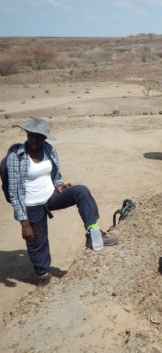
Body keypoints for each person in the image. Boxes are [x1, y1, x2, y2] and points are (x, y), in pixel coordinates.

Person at [7, 117, 119, 286]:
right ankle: (43, 275)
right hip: (31, 205)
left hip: (51, 196)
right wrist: (24, 223)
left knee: (81, 191)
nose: (35, 140)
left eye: (40, 137)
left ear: (45, 137)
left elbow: (56, 174)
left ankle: (93, 232)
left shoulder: (49, 149)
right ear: (27, 133)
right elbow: (14, 191)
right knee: (37, 241)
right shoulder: (16, 157)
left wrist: (59, 185)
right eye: (32, 136)